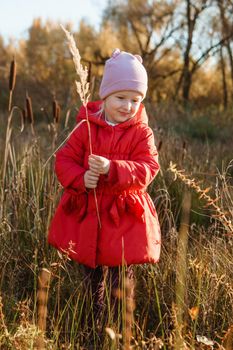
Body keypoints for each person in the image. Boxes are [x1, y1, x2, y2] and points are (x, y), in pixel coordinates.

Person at [48, 48, 161, 347]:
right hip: (91, 215)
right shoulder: (86, 127)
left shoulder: (141, 133)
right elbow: (64, 160)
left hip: (124, 217)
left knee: (120, 282)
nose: (128, 106)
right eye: (120, 98)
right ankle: (91, 329)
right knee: (92, 278)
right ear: (105, 96)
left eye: (135, 100)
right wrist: (80, 178)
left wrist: (114, 168)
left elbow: (149, 168)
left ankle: (122, 332)